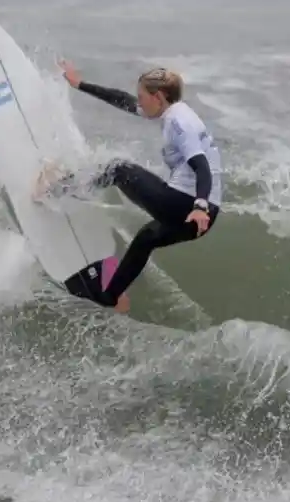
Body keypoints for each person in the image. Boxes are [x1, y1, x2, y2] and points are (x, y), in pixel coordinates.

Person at [37, 60, 224, 313]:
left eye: (142, 96)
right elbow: (122, 100)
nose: (139, 102)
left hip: (190, 206)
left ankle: (54, 190)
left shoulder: (179, 124)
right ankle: (109, 296)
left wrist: (199, 205)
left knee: (119, 168)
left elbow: (201, 166)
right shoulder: (171, 111)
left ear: (158, 97)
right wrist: (79, 84)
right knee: (146, 239)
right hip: (203, 215)